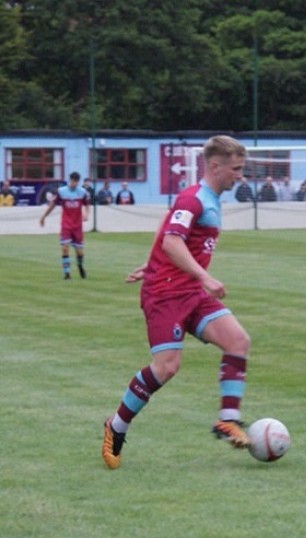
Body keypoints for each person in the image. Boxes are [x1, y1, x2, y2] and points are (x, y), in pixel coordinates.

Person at [101, 135, 252, 469]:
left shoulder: (205, 199)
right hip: (165, 293)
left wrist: (151, 261)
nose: (240, 176)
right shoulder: (194, 199)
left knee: (238, 341)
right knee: (167, 367)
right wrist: (204, 277)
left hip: (189, 291)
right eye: (236, 169)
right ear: (215, 166)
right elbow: (172, 241)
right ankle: (116, 425)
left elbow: (167, 230)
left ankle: (228, 420)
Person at [38, 171, 90, 280]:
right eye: (73, 181)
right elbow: (52, 205)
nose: (74, 183)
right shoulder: (61, 191)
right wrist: (43, 217)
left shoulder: (82, 192)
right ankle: (67, 273)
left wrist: (86, 214)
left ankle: (80, 265)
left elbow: (87, 205)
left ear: (78, 182)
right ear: (69, 180)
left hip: (77, 226)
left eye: (76, 182)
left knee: (79, 252)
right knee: (65, 248)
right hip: (66, 224)